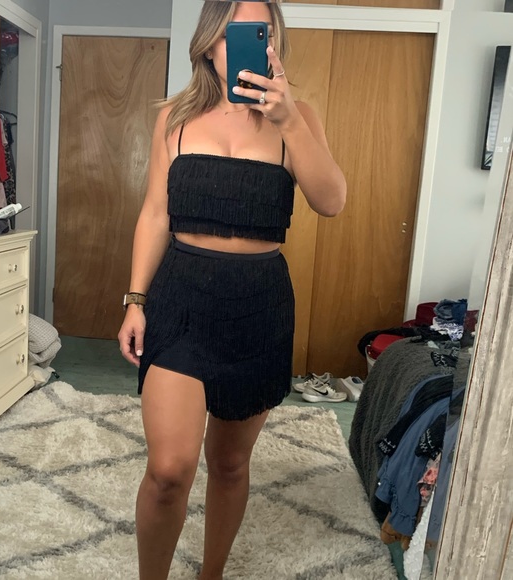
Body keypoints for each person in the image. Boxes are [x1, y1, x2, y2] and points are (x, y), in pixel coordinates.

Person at [118, 1, 346, 578]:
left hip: (258, 305)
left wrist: (289, 121)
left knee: (228, 464)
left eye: (259, 33)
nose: (244, 46)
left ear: (274, 42)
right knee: (168, 470)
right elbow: (154, 214)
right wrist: (135, 300)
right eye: (232, 32)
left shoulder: (299, 118)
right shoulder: (173, 117)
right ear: (209, 41)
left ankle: (211, 573)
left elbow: (331, 201)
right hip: (181, 298)